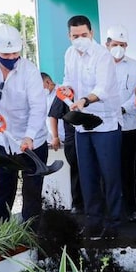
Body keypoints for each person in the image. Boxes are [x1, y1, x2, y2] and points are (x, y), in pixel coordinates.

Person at [59, 15, 122, 238]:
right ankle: (93, 220)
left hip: (105, 121)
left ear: (91, 33)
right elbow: (67, 80)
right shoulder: (69, 54)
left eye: (84, 35)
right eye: (75, 36)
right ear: (69, 36)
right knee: (87, 174)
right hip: (81, 123)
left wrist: (84, 100)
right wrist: (67, 90)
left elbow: (103, 89)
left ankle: (114, 221)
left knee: (110, 174)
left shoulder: (102, 55)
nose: (80, 39)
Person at [0, 24, 49, 229]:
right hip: (4, 140)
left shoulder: (29, 71)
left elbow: (38, 107)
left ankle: (32, 234)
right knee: (2, 188)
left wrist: (29, 136)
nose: (12, 57)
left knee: (31, 191)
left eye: (15, 53)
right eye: (6, 53)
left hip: (33, 142)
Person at [105, 25, 136, 223]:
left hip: (128, 126)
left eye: (122, 44)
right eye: (114, 44)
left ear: (126, 45)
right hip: (105, 127)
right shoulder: (100, 65)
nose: (118, 47)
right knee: (108, 169)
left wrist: (122, 109)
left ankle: (131, 209)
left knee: (128, 169)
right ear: (107, 44)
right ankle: (111, 210)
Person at [47, 83, 86, 215]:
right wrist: (55, 137)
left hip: (92, 134)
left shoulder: (92, 89)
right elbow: (53, 115)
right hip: (72, 136)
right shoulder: (65, 90)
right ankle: (78, 203)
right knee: (76, 170)